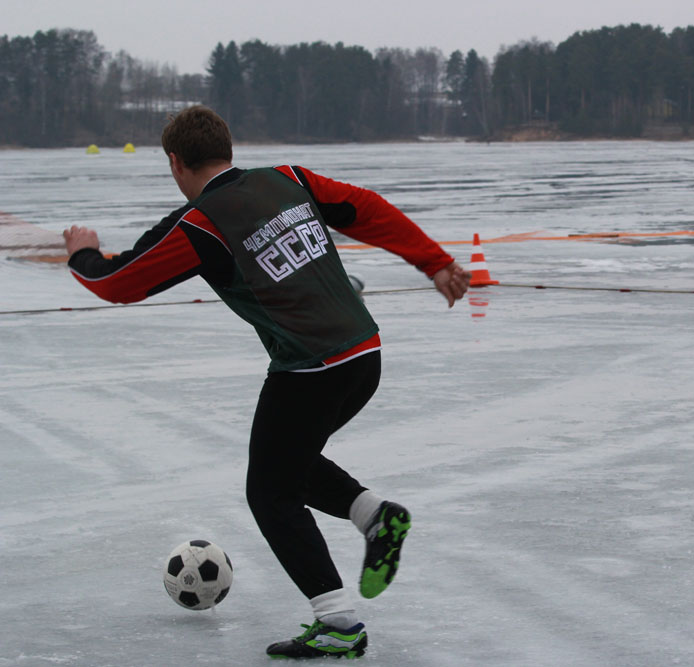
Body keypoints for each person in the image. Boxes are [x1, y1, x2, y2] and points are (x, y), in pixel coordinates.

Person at [63, 105, 471, 659]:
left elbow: (118, 282)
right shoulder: (289, 179)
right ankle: (375, 516)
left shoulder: (201, 224)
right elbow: (366, 209)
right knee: (287, 462)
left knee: (270, 491)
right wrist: (434, 261)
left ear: (175, 162)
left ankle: (338, 622)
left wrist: (82, 253)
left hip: (310, 369)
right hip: (364, 355)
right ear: (228, 149)